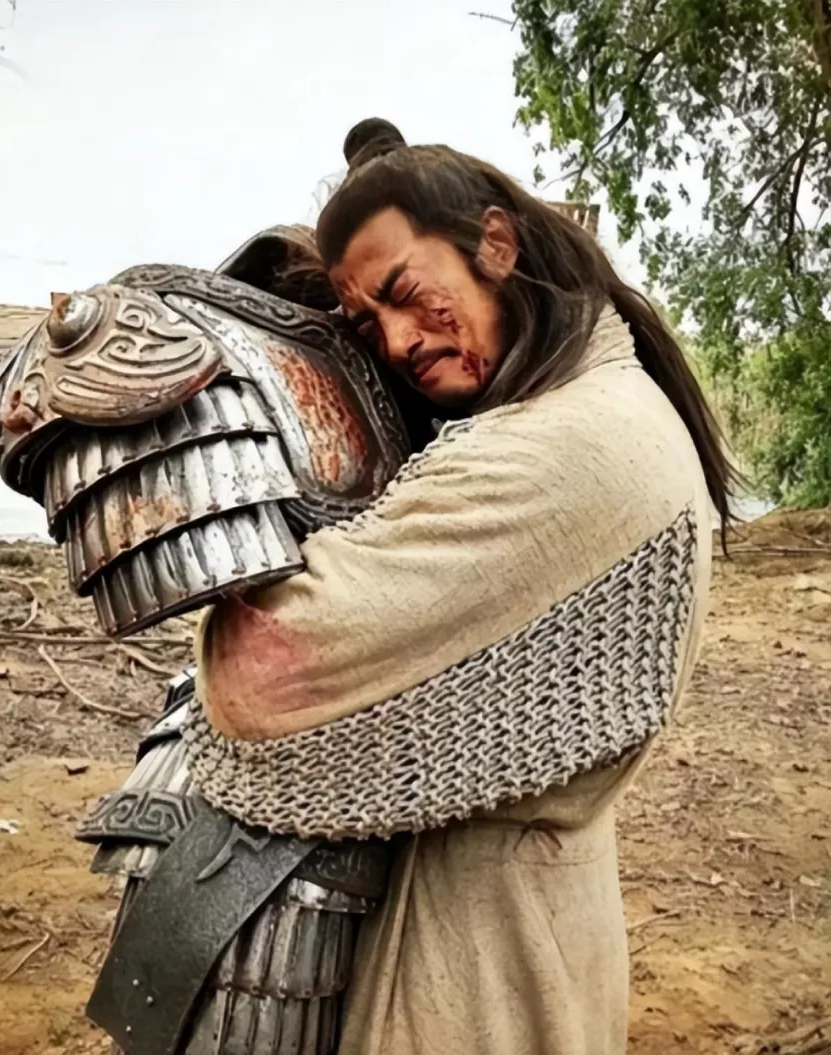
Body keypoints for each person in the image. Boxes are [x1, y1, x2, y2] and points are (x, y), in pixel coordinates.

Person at [188, 119, 735, 1055]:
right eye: (370, 325)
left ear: (496, 244)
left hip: (481, 977)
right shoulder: (606, 401)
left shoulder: (562, 448)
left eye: (406, 293)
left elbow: (257, 673)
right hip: (537, 925)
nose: (399, 341)